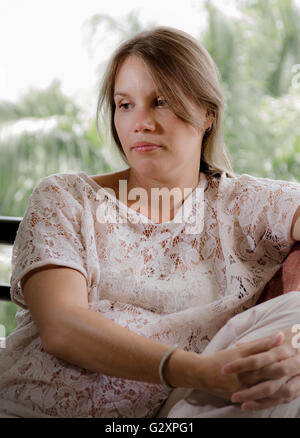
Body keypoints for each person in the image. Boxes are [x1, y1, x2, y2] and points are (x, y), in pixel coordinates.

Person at [0, 26, 300, 418]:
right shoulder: (66, 197)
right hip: (33, 407)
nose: (140, 122)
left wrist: (295, 342)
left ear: (207, 113)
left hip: (178, 413)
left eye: (160, 102)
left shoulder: (247, 203)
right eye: (125, 105)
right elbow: (62, 327)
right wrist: (200, 373)